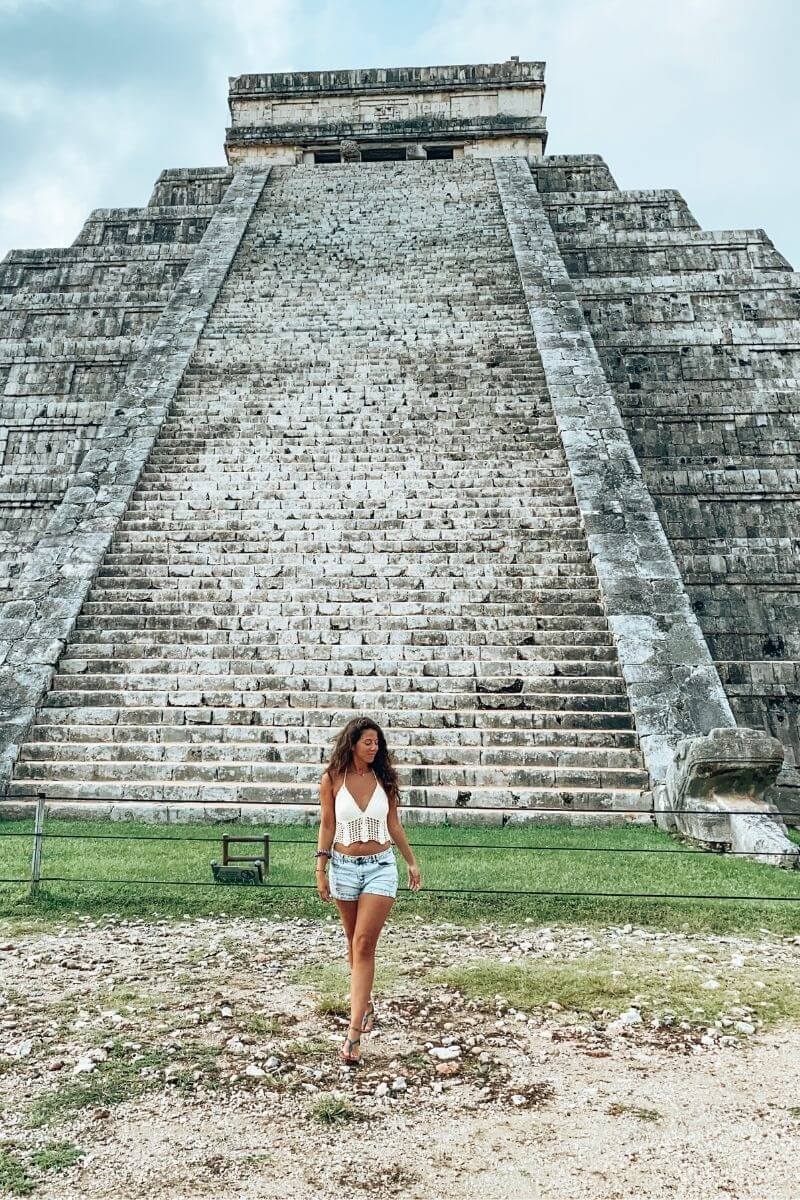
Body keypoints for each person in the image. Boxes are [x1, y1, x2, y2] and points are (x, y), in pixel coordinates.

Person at [315, 716, 422, 1066]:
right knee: (352, 943)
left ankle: (353, 1033)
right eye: (368, 742)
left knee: (363, 944)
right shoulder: (331, 778)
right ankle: (366, 1003)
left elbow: (393, 823)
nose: (374, 748)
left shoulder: (385, 779)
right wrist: (321, 867)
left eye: (378, 742)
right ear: (353, 743)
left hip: (380, 866)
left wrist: (410, 861)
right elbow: (328, 824)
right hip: (344, 867)